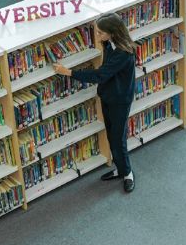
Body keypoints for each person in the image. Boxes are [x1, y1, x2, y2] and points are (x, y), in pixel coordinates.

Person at [53, 13, 138, 193]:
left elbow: (100, 75)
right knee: (111, 136)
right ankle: (120, 168)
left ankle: (127, 172)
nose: (97, 36)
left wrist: (69, 72)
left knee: (118, 139)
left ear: (112, 32)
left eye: (100, 33)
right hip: (108, 96)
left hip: (120, 100)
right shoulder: (109, 43)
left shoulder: (124, 52)